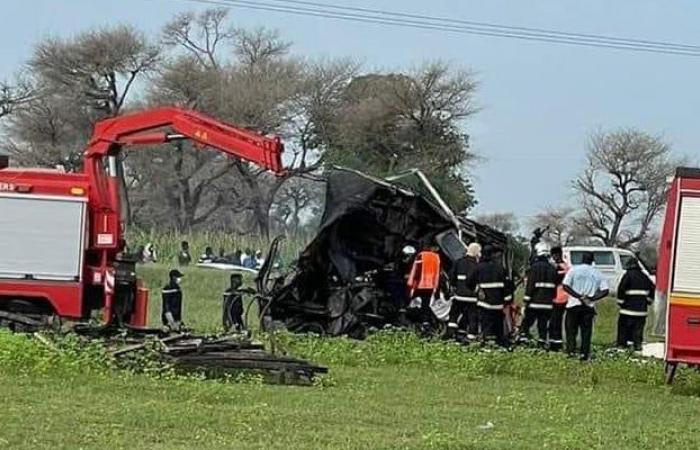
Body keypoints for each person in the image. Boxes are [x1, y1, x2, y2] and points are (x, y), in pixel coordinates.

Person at [562, 251, 610, 361]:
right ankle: (584, 354)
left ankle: (571, 352)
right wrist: (591, 298)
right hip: (588, 307)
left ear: (582, 259)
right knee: (586, 332)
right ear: (592, 261)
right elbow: (605, 291)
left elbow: (565, 286)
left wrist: (578, 296)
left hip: (573, 305)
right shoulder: (597, 273)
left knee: (571, 331)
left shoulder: (574, 270)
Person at [470, 245, 512, 347]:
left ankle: (488, 345)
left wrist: (477, 290)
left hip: (484, 304)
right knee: (498, 327)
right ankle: (500, 344)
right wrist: (506, 301)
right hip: (498, 305)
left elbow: (469, 281)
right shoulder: (500, 268)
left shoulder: (479, 267)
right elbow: (508, 286)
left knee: (486, 326)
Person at [519, 242, 558, 348]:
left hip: (534, 303)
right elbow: (554, 287)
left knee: (527, 323)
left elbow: (530, 286)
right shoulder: (553, 269)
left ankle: (523, 340)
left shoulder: (534, 268)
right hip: (548, 303)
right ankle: (542, 342)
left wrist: (526, 301)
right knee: (543, 324)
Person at [616, 257, 655, 351]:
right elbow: (652, 288)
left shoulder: (627, 275)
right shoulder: (644, 276)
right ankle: (637, 345)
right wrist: (649, 300)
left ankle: (622, 345)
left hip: (627, 310)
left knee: (624, 328)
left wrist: (621, 302)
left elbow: (621, 289)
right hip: (641, 310)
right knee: (638, 329)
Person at [446, 242, 481, 341]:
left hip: (459, 295)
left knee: (454, 315)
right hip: (472, 297)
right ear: (477, 253)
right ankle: (471, 337)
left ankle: (451, 334)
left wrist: (454, 287)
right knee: (472, 317)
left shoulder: (458, 262)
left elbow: (452, 277)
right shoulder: (478, 265)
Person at [407, 245, 442, 331]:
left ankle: (412, 319)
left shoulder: (420, 255)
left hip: (419, 284)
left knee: (411, 301)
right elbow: (437, 273)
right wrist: (435, 286)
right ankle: (425, 321)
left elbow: (416, 270)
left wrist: (410, 283)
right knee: (426, 304)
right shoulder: (436, 257)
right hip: (430, 285)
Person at [549, 246, 569, 351]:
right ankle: (556, 342)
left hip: (558, 297)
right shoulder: (566, 266)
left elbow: (555, 280)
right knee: (557, 321)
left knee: (555, 322)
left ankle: (555, 344)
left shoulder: (559, 268)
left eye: (554, 255)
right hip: (565, 297)